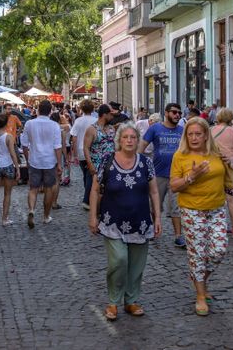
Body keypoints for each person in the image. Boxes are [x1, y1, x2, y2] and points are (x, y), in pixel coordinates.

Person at [88, 123, 162, 321]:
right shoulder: (107, 160)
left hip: (140, 221)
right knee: (119, 260)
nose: (129, 141)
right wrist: (93, 217)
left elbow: (154, 191)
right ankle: (113, 301)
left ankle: (131, 300)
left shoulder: (146, 163)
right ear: (119, 141)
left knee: (137, 265)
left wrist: (158, 217)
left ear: (138, 140)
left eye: (133, 137)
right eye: (125, 137)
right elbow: (95, 190)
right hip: (112, 222)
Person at [169, 117, 229, 317]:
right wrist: (191, 177)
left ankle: (199, 278)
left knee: (218, 251)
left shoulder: (216, 153)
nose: (194, 138)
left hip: (217, 208)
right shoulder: (180, 156)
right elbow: (174, 186)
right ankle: (201, 295)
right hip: (192, 209)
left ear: (206, 136)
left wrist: (232, 163)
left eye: (198, 134)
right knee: (197, 253)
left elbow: (229, 177)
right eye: (190, 134)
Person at [138, 103, 186, 249]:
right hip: (158, 174)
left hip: (177, 175)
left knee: (176, 207)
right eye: (174, 112)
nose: (177, 115)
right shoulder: (155, 128)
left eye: (179, 113)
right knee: (154, 206)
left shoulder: (183, 131)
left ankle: (178, 236)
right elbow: (141, 147)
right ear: (166, 113)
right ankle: (154, 228)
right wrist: (140, 166)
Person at [21, 100, 63, 228]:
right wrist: (59, 164)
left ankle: (32, 211)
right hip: (50, 161)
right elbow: (58, 147)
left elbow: (24, 145)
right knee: (49, 189)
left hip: (34, 160)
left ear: (38, 110)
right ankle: (46, 216)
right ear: (50, 111)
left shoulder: (29, 123)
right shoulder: (55, 125)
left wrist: (28, 159)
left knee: (33, 189)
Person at [212, 108, 233, 239]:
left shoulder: (210, 130)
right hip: (231, 165)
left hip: (215, 164)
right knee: (231, 199)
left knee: (214, 197)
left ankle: (216, 227)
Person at [83, 104, 116, 210]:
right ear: (104, 114)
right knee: (96, 190)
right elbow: (86, 148)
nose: (112, 116)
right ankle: (96, 211)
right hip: (96, 165)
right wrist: (90, 164)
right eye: (110, 114)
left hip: (111, 165)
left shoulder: (111, 128)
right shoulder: (92, 129)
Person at [70, 100, 98, 209]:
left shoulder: (78, 121)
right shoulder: (95, 121)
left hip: (81, 151)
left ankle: (88, 197)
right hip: (92, 151)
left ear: (81, 109)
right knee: (90, 175)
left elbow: (74, 138)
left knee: (86, 175)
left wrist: (75, 154)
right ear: (93, 109)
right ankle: (87, 199)